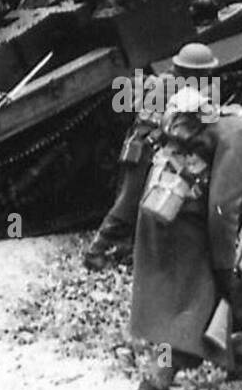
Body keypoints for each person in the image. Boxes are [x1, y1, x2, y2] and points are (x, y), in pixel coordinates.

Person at [127, 68, 242, 390]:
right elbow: (223, 209)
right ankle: (153, 388)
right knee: (184, 307)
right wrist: (224, 266)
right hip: (180, 218)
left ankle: (239, 349)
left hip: (174, 203)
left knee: (223, 286)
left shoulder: (239, 116)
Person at [84, 41, 220, 271]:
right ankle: (95, 251)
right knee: (128, 201)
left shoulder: (166, 80)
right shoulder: (175, 87)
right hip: (146, 147)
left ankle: (128, 248)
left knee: (138, 199)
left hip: (143, 144)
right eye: (205, 72)